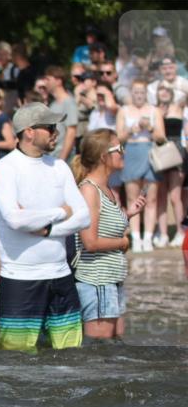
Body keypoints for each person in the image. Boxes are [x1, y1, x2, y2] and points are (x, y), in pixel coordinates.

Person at [0, 102, 90, 352]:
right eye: (50, 127)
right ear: (29, 132)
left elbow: (84, 216)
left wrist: (48, 229)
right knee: (16, 358)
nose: (57, 132)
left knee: (71, 355)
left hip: (61, 275)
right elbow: (15, 219)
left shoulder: (60, 166)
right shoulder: (5, 168)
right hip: (20, 278)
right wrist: (60, 212)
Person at [71, 129, 147, 340]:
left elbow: (103, 225)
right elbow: (90, 241)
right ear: (104, 157)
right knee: (99, 346)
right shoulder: (89, 190)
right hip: (96, 280)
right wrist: (123, 242)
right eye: (119, 149)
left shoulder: (107, 188)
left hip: (112, 278)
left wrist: (128, 214)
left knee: (116, 339)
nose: (124, 152)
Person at [116, 79, 163, 252]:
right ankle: (136, 236)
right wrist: (131, 130)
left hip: (150, 153)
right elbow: (118, 137)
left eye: (142, 92)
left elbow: (161, 137)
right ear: (131, 93)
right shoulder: (123, 111)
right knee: (132, 198)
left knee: (151, 198)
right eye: (135, 92)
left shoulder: (154, 111)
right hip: (131, 153)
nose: (139, 96)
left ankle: (148, 237)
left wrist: (150, 127)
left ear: (146, 94)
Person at [154, 87, 185, 248]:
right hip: (159, 152)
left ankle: (181, 231)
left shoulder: (178, 107)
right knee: (160, 196)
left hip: (176, 152)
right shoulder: (153, 110)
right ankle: (163, 232)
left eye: (166, 90)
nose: (164, 92)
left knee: (175, 196)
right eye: (161, 90)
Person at [43, 66, 78, 161]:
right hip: (51, 155)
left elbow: (71, 132)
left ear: (59, 81)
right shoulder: (53, 104)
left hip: (64, 157)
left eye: (48, 79)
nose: (45, 82)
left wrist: (62, 159)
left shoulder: (69, 102)